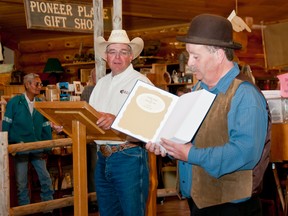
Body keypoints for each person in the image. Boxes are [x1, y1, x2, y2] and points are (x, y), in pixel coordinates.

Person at [145, 14, 271, 216]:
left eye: (196, 56)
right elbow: (186, 138)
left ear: (219, 55)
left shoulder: (245, 95)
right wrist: (166, 147)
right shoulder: (196, 91)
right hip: (198, 202)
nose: (190, 64)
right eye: (189, 56)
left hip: (232, 207)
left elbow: (244, 153)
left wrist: (190, 154)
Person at [89, 29, 153, 216]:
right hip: (102, 158)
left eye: (123, 52)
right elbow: (90, 117)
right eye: (112, 51)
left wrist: (118, 120)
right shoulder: (101, 84)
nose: (117, 57)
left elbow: (151, 124)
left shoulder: (142, 83)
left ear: (131, 56)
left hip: (129, 156)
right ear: (106, 56)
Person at [2, 73, 54, 210]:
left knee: (45, 178)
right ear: (27, 85)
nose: (39, 87)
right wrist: (6, 146)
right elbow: (6, 124)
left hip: (37, 146)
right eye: (36, 84)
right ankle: (25, 210)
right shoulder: (15, 102)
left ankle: (48, 208)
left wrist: (48, 147)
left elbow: (45, 126)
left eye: (40, 84)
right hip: (20, 147)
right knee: (21, 183)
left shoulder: (41, 103)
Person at [80, 68, 98, 212]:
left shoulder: (88, 90)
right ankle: (93, 199)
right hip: (92, 134)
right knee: (93, 168)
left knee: (95, 167)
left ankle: (95, 199)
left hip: (94, 134)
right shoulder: (88, 90)